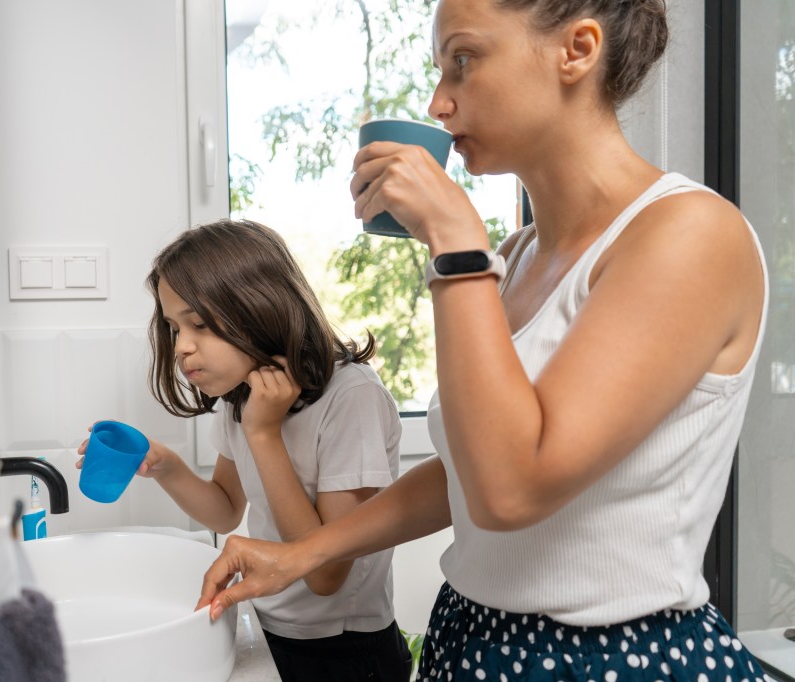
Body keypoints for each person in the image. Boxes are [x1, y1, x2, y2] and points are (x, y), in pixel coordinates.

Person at [197, 1, 771, 680]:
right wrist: (306, 552)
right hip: (471, 632)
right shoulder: (516, 255)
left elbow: (510, 490)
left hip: (611, 656)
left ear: (577, 50)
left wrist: (454, 243)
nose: (439, 103)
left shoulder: (689, 235)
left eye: (463, 61)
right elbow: (466, 470)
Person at [76, 219, 412, 681]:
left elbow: (324, 577)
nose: (182, 348)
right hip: (270, 622)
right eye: (175, 328)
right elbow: (225, 511)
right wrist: (166, 466)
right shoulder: (242, 395)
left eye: (198, 324)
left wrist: (264, 434)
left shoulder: (350, 396)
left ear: (260, 309)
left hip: (344, 650)